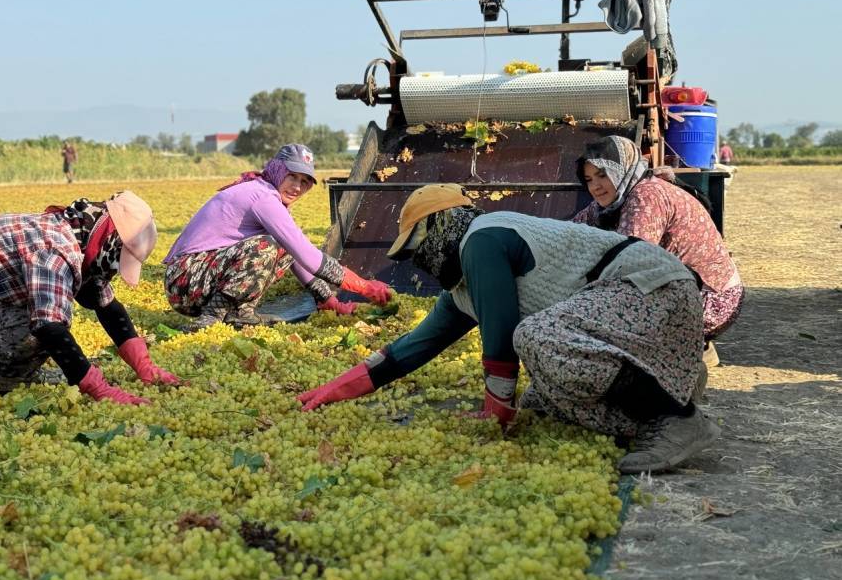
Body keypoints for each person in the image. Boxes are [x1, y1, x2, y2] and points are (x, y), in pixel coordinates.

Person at [297, 184, 720, 474]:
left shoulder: (483, 238)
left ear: (441, 226)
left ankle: (677, 417)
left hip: (652, 289)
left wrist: (495, 414)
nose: (420, 258)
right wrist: (330, 390)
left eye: (418, 245)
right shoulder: (463, 289)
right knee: (542, 399)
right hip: (638, 320)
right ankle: (666, 383)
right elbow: (409, 350)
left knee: (533, 338)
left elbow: (500, 336)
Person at [0, 191, 180, 407]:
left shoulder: (78, 236)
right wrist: (98, 388)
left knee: (47, 313)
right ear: (108, 242)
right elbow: (49, 328)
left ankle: (8, 379)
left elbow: (106, 305)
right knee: (44, 321)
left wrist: (144, 365)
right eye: (118, 260)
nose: (115, 269)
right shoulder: (55, 248)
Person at [164, 143, 393, 330]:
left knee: (282, 245)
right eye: (291, 176)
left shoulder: (266, 194)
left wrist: (329, 301)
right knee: (268, 246)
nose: (297, 187)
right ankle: (212, 317)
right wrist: (366, 288)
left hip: (198, 278)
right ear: (277, 170)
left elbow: (296, 255)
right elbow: (310, 258)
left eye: (304, 182)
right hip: (184, 281)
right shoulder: (263, 198)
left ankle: (239, 314)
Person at [572, 136, 744, 366]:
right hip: (689, 292)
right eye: (589, 179)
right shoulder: (623, 192)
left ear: (623, 168)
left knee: (603, 313)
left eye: (603, 175)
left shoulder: (646, 197)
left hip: (712, 299)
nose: (595, 186)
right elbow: (573, 229)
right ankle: (686, 344)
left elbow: (630, 265)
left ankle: (682, 348)